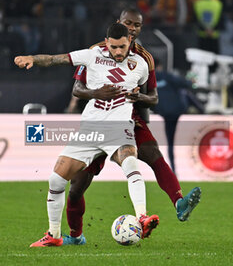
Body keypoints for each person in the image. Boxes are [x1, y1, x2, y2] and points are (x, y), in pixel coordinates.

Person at [63, 7, 201, 246]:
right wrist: (97, 93)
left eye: (137, 25)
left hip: (130, 120)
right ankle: (76, 236)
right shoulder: (95, 52)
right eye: (128, 23)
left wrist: (140, 103)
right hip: (98, 123)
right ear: (119, 23)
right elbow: (77, 89)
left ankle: (178, 203)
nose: (133, 28)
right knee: (77, 187)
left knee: (155, 155)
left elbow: (152, 97)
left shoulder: (144, 59)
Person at [14, 23, 159, 247]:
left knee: (130, 162)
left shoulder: (140, 64)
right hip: (90, 129)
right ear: (106, 42)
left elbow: (151, 97)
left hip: (118, 126)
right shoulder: (92, 56)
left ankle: (142, 217)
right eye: (114, 47)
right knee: (56, 179)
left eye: (122, 47)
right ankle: (54, 235)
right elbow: (56, 59)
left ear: (129, 42)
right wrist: (33, 58)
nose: (118, 52)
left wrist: (137, 97)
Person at [151, 61, 193, 174]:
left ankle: (170, 169)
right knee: (172, 142)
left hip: (162, 113)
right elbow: (186, 84)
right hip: (176, 111)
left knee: (169, 142)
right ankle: (174, 169)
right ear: (159, 66)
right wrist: (192, 80)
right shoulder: (167, 76)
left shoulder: (146, 80)